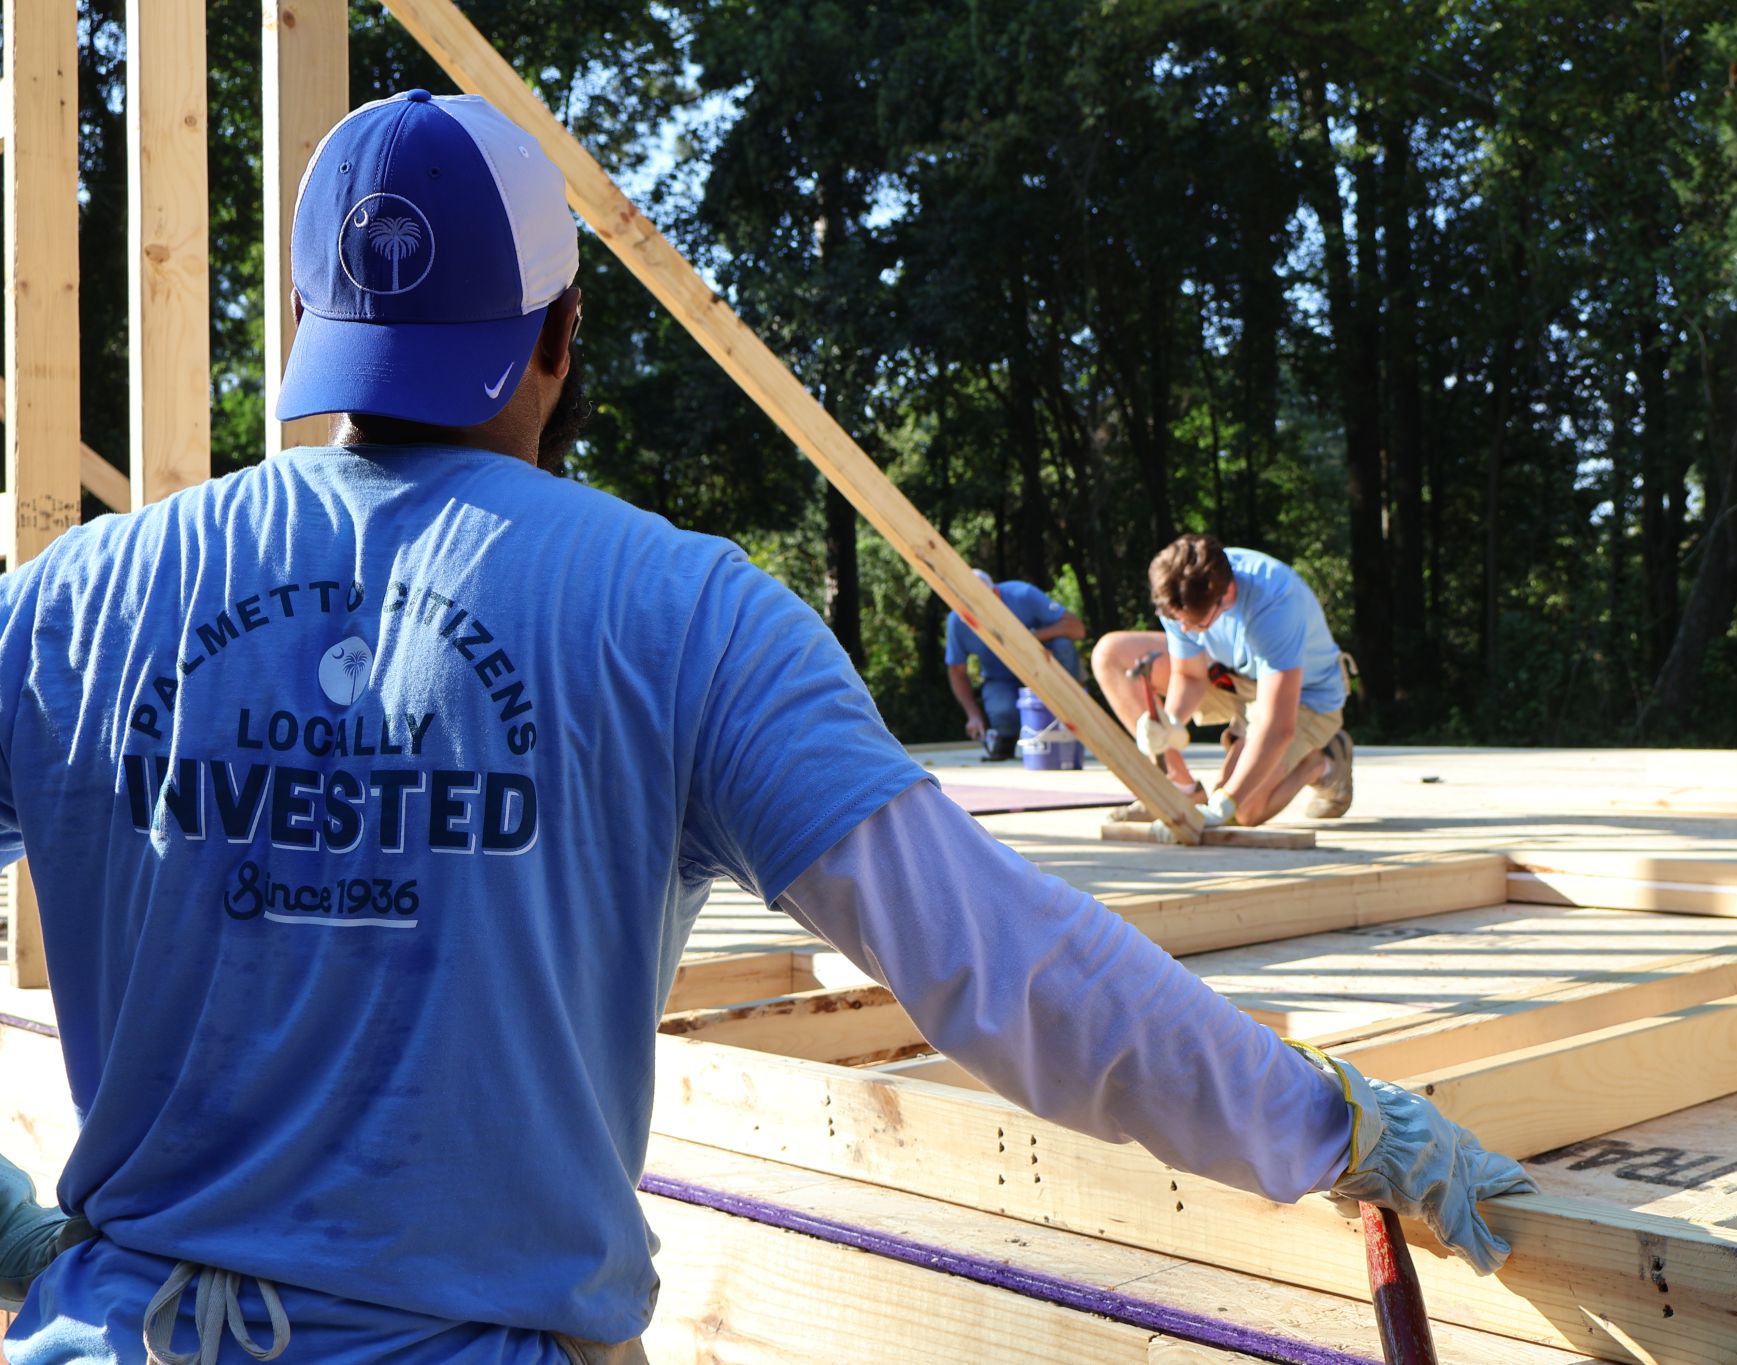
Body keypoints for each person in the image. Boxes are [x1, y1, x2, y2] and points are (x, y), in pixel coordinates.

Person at [0, 91, 1528, 1363]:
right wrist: (1325, 1124)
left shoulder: (73, 604)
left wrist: (16, 1227)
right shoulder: (679, 616)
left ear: (307, 325)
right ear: (563, 332)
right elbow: (999, 961)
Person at [1095, 535, 1355, 829]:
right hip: (1234, 677)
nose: (1184, 629)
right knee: (1111, 654)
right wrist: (1171, 723)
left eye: (1196, 622)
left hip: (1304, 696)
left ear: (1228, 594)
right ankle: (1179, 787)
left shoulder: (1274, 603)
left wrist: (1226, 803)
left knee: (1244, 810)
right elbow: (1190, 675)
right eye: (1177, 619)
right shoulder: (1179, 590)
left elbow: (1277, 726)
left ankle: (1320, 761)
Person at [945, 570, 1085, 759]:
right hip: (1001, 680)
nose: (973, 613)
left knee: (1063, 645)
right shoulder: (958, 620)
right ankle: (1006, 737)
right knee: (1001, 709)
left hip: (1042, 673)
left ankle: (1073, 713)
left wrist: (1030, 638)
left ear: (995, 593)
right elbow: (957, 671)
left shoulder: (1022, 594)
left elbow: (1077, 629)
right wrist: (973, 715)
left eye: (977, 605)